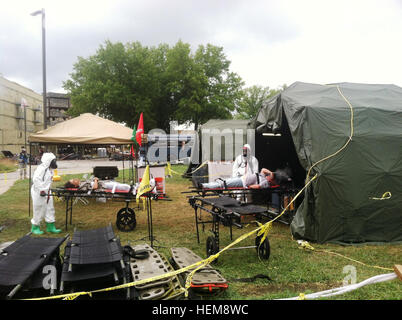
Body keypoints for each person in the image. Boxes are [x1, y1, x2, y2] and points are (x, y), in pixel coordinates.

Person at [30, 152, 61, 235]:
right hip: (38, 191)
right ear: (48, 161)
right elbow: (36, 180)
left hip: (47, 191)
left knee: (50, 208)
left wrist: (47, 189)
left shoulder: (50, 169)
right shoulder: (41, 169)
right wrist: (41, 190)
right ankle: (35, 227)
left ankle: (50, 226)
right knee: (38, 209)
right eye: (53, 161)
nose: (55, 162)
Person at [200, 168, 274, 190]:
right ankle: (205, 185)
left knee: (223, 184)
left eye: (269, 176)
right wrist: (270, 172)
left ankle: (204, 186)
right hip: (241, 178)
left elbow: (258, 186)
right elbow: (263, 169)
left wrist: (249, 186)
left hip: (242, 182)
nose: (268, 175)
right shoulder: (263, 175)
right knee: (223, 182)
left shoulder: (266, 182)